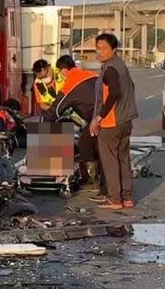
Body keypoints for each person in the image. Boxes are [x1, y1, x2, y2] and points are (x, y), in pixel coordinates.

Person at [89, 33, 138, 209]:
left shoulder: (110, 69)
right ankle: (127, 197)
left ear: (114, 50)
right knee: (123, 159)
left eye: (103, 49)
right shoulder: (121, 65)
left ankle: (115, 199)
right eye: (97, 48)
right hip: (126, 120)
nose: (99, 52)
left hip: (112, 122)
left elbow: (115, 93)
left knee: (110, 161)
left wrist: (98, 117)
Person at [44, 55, 101, 186]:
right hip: (109, 116)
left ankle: (90, 177)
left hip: (96, 120)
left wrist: (45, 123)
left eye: (60, 72)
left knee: (84, 145)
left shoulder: (71, 83)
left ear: (64, 70)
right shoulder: (91, 75)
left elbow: (57, 109)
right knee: (98, 146)